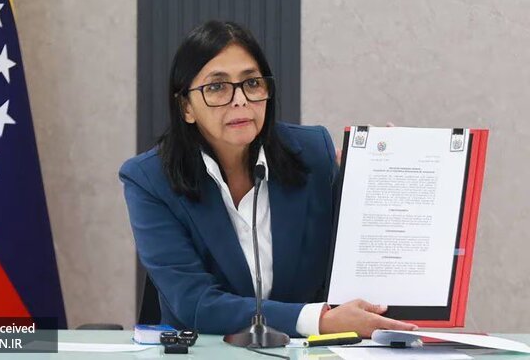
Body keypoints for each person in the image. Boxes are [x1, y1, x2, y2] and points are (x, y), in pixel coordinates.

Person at [119, 20, 417, 337]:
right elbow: (195, 304)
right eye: (217, 87)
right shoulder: (149, 180)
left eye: (252, 83)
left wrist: (382, 179)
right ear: (186, 107)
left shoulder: (312, 154)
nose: (240, 99)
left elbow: (353, 258)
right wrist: (319, 321)